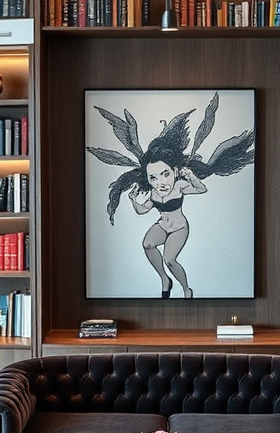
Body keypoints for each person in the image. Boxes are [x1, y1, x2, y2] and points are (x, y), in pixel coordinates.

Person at [88, 93, 254, 299]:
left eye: (165, 174)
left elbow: (202, 189)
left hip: (178, 228)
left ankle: (185, 288)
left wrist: (192, 176)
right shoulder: (154, 192)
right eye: (154, 178)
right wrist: (132, 200)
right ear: (148, 178)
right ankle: (164, 279)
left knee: (170, 260)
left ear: (175, 171)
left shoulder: (179, 186)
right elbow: (143, 210)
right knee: (147, 244)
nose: (160, 182)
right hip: (161, 226)